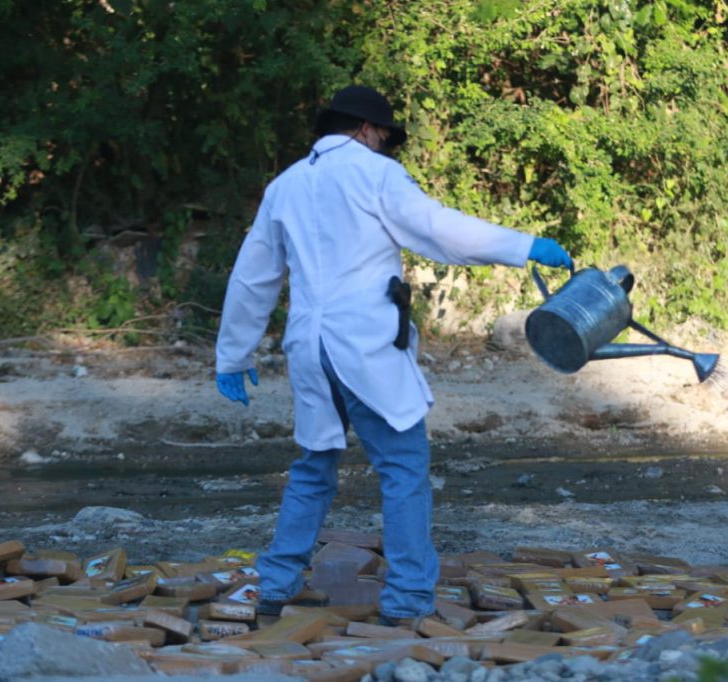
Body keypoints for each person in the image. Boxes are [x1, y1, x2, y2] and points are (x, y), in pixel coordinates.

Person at [214, 85, 572, 625]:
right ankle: (406, 601)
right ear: (366, 128)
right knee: (403, 468)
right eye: (383, 134)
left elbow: (253, 275)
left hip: (309, 346)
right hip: (363, 345)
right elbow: (439, 229)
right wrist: (521, 246)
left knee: (313, 467)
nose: (384, 143)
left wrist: (233, 355)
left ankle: (276, 586)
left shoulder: (285, 185)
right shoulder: (375, 175)